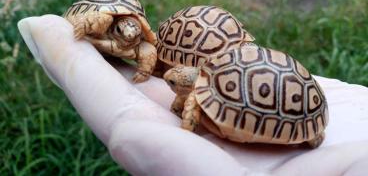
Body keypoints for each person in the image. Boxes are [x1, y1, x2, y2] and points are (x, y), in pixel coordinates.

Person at [18, 15, 368, 176]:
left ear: (188, 82)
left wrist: (186, 128)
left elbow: (189, 110)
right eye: (174, 84)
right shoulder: (205, 77)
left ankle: (308, 129)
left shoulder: (198, 96)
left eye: (175, 85)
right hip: (303, 104)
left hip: (301, 110)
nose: (172, 85)